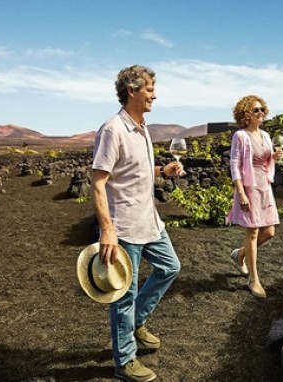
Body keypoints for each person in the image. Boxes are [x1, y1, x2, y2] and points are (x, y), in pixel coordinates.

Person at [92, 64, 183, 382]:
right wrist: (107, 230)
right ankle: (125, 361)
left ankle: (136, 323)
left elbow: (134, 171)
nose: (154, 95)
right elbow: (99, 182)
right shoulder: (113, 129)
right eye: (149, 89)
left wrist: (162, 171)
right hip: (124, 228)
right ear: (131, 90)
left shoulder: (142, 127)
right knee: (123, 295)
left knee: (170, 268)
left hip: (150, 221)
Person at [226, 95, 283, 298]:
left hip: (264, 187)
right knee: (252, 233)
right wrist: (240, 192)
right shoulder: (240, 136)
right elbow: (234, 164)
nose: (261, 113)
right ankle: (253, 279)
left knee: (269, 232)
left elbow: (265, 158)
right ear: (246, 114)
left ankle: (240, 253)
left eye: (262, 110)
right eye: (256, 110)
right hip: (249, 188)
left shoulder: (266, 135)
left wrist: (273, 157)